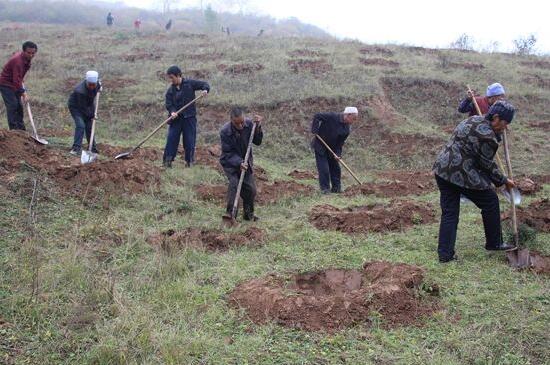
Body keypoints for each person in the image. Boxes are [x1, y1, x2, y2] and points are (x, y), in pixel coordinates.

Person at [433, 100, 517, 263]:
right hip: (459, 174)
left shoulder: (472, 119)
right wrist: (504, 180)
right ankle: (495, 243)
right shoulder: (489, 137)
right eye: (505, 123)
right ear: (497, 118)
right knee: (490, 200)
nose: (505, 127)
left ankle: (445, 254)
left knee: (450, 213)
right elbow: (486, 164)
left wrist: (497, 135)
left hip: (443, 170)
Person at [219, 107, 263, 221]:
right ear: (231, 120)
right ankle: (230, 215)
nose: (240, 126)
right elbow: (228, 153)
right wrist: (239, 162)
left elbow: (258, 142)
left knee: (251, 190)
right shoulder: (225, 131)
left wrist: (257, 127)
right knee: (234, 184)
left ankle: (248, 215)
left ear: (244, 118)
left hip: (246, 162)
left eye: (242, 122)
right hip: (230, 164)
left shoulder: (249, 125)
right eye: (237, 123)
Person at [163, 65, 210, 167]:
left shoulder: (190, 84)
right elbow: (169, 104)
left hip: (189, 118)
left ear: (178, 75)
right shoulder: (170, 91)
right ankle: (167, 162)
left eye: (172, 77)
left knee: (189, 141)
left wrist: (205, 90)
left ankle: (189, 162)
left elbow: (205, 84)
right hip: (176, 120)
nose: (171, 80)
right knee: (171, 139)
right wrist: (172, 112)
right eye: (169, 78)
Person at [310, 107, 358, 194]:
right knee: (324, 169)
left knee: (336, 169)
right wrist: (315, 130)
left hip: (332, 149)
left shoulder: (346, 130)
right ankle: (325, 190)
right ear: (348, 115)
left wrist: (338, 154)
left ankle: (336, 189)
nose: (354, 121)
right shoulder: (332, 117)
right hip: (320, 146)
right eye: (353, 118)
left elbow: (340, 144)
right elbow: (317, 116)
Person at [0, 41, 37, 130]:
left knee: (19, 106)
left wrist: (21, 81)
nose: (31, 55)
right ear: (23, 51)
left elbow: (18, 77)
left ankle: (21, 130)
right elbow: (16, 80)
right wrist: (24, 94)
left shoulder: (26, 59)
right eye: (29, 53)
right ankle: (14, 130)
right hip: (6, 84)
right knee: (13, 105)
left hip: (15, 83)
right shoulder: (18, 61)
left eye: (33, 53)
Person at [68, 71, 102, 155]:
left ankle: (92, 148)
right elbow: (83, 109)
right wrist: (92, 115)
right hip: (76, 107)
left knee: (89, 127)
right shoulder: (80, 91)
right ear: (86, 81)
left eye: (93, 84)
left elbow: (99, 85)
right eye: (90, 84)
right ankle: (76, 148)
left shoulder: (97, 84)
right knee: (81, 125)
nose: (91, 86)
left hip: (88, 104)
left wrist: (100, 87)